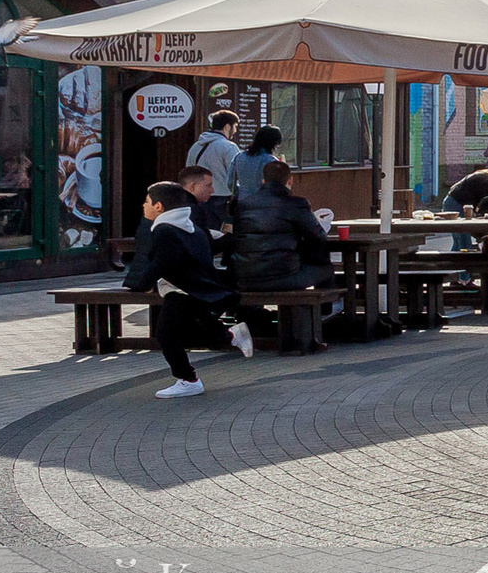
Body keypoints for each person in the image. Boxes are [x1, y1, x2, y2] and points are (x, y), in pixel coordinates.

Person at [122, 181, 246, 398]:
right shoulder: (191, 228)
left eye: (147, 201)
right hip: (197, 289)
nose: (144, 206)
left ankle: (189, 379)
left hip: (180, 290)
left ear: (159, 206)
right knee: (183, 331)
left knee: (166, 335)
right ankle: (230, 337)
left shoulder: (164, 229)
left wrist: (141, 284)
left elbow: (162, 262)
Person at [230, 157, 332, 345]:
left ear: (263, 181)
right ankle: (325, 316)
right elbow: (318, 237)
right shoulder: (296, 204)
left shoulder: (244, 205)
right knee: (326, 269)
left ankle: (256, 322)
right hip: (283, 277)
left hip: (244, 276)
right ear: (290, 180)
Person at [229, 125, 283, 215]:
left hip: (242, 204)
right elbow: (276, 187)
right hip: (264, 206)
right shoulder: (271, 161)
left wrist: (241, 192)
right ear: (273, 143)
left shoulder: (239, 156)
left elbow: (230, 182)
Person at [187, 110, 241, 194]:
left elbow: (189, 172)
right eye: (235, 126)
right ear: (227, 126)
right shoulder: (229, 147)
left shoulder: (196, 146)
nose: (235, 130)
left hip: (200, 197)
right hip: (223, 197)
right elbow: (236, 174)